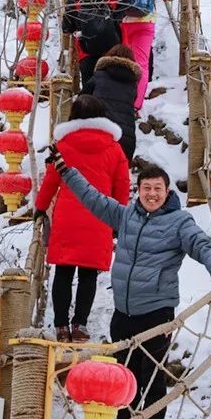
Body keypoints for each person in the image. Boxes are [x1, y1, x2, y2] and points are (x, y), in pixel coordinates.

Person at [47, 154, 211, 419]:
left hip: (156, 316)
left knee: (149, 383)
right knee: (124, 382)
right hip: (123, 315)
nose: (151, 194)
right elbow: (91, 198)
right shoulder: (125, 217)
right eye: (146, 188)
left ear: (167, 192)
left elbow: (201, 244)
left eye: (157, 189)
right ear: (137, 191)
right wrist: (66, 171)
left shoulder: (179, 223)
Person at [34, 96, 130, 343]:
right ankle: (80, 325)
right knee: (89, 274)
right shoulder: (114, 148)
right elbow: (122, 185)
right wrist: (119, 217)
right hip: (99, 217)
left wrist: (40, 207)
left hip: (68, 216)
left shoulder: (63, 146)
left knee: (63, 272)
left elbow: (51, 181)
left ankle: (60, 327)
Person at [62, 0, 120, 87]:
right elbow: (121, 17)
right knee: (110, 87)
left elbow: (67, 26)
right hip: (112, 48)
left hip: (86, 49)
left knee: (89, 88)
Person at [82, 43, 141, 161]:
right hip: (126, 139)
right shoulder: (132, 85)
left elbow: (83, 98)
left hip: (100, 133)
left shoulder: (99, 75)